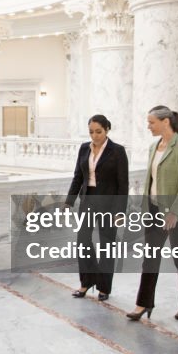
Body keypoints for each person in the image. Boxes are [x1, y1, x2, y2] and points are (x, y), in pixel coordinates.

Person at [127, 105, 178, 321]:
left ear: (165, 122)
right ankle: (143, 304)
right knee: (149, 259)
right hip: (153, 210)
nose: (148, 126)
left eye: (151, 122)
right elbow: (151, 181)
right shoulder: (153, 146)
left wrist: (174, 213)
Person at [64, 114, 129, 301]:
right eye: (91, 132)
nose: (95, 135)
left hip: (109, 205)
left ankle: (104, 286)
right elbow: (78, 176)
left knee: (107, 246)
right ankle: (86, 281)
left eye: (98, 131)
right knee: (82, 242)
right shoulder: (84, 148)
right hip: (88, 201)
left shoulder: (117, 151)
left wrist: (120, 212)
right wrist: (69, 200)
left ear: (107, 130)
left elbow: (123, 184)